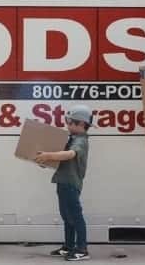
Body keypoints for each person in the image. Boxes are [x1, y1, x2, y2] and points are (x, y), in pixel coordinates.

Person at [35, 104, 93, 261]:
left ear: (81, 124)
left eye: (70, 122)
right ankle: (68, 246)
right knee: (66, 216)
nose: (67, 125)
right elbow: (60, 158)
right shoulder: (72, 138)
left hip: (71, 183)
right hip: (63, 181)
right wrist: (46, 160)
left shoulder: (81, 140)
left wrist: (48, 155)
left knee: (75, 216)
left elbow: (69, 154)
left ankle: (82, 249)